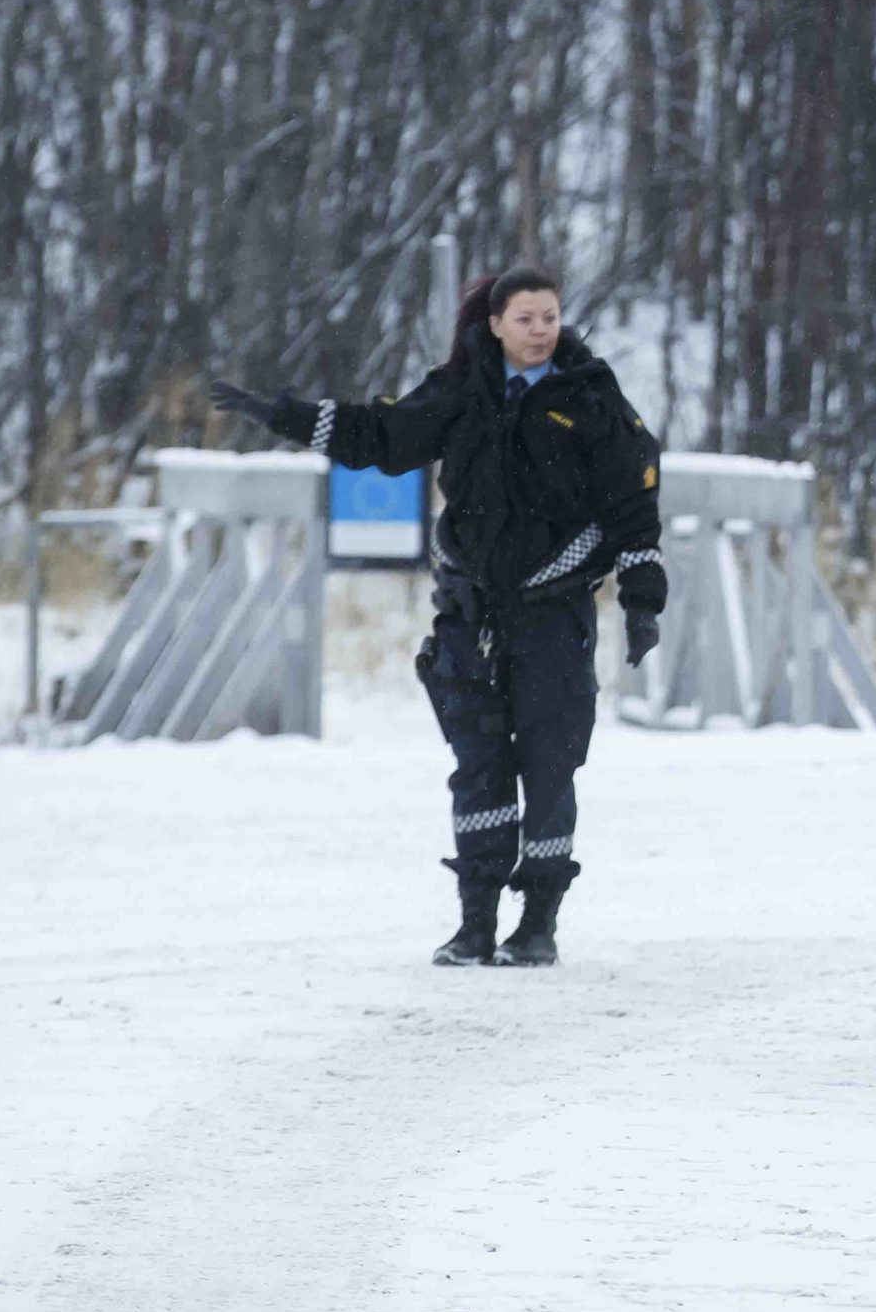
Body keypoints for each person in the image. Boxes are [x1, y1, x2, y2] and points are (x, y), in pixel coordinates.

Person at [212, 267, 665, 968]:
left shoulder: (591, 396)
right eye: (525, 319)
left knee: (550, 765)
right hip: (469, 610)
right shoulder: (462, 390)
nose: (540, 331)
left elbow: (634, 504)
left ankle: (537, 924)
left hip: (552, 612)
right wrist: (284, 416)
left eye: (549, 317)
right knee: (478, 765)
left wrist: (642, 602)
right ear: (495, 324)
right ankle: (475, 922)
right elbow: (381, 435)